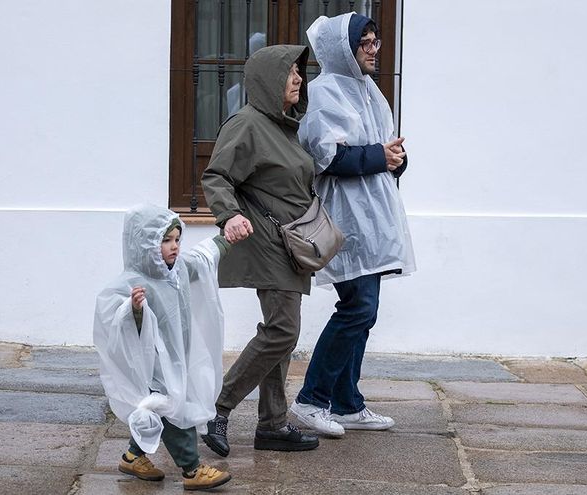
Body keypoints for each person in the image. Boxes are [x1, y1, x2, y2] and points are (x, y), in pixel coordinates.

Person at [289, 13, 416, 438]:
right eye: (365, 43)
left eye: (376, 42)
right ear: (342, 49)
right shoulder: (325, 92)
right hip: (346, 220)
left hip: (374, 220)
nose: (373, 50)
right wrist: (381, 156)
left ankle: (346, 403)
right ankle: (311, 400)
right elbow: (327, 157)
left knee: (365, 313)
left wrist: (395, 159)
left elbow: (383, 146)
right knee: (357, 308)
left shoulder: (367, 89)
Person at [199, 44, 320, 457]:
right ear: (270, 79)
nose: (299, 79)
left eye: (299, 74)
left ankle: (272, 424)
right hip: (267, 241)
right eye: (291, 73)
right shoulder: (247, 124)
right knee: (283, 330)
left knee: (279, 334)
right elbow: (216, 175)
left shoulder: (284, 125)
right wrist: (227, 215)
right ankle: (219, 407)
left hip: (291, 243)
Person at [93, 204, 233, 491]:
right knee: (173, 406)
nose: (174, 247)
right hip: (154, 364)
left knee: (156, 407)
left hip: (177, 356)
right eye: (165, 240)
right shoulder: (132, 283)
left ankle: (133, 456)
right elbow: (113, 318)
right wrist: (133, 308)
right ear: (144, 244)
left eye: (177, 239)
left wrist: (226, 239)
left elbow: (202, 261)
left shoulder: (176, 270)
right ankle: (192, 468)